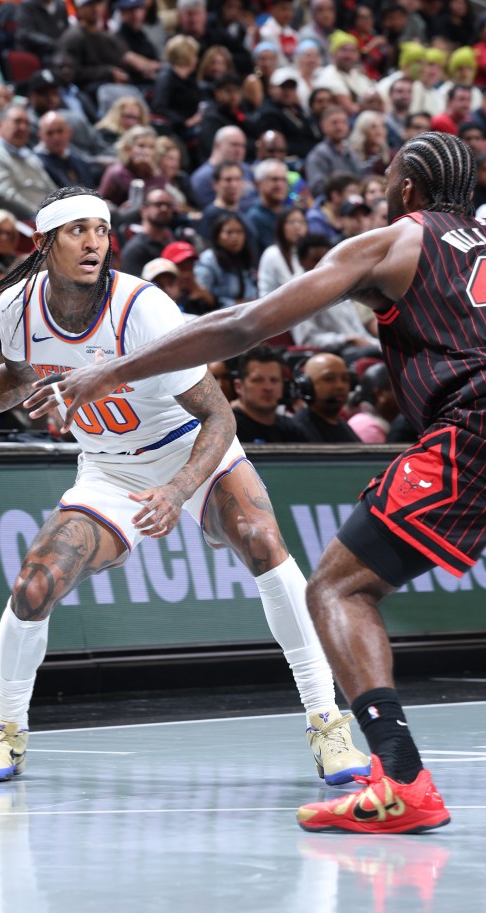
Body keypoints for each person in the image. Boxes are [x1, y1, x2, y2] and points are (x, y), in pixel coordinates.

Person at [50, 131, 484, 834]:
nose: (379, 186)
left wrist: (111, 369)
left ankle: (400, 781)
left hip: (473, 424)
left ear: (407, 189)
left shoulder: (393, 242)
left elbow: (246, 323)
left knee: (338, 588)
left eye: (388, 177)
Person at [0, 183, 368, 787]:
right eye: (77, 230)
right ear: (43, 243)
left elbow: (220, 415)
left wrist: (179, 490)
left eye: (101, 230)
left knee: (262, 541)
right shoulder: (15, 310)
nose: (93, 242)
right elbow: (23, 376)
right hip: (108, 467)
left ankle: (328, 723)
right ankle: (6, 731)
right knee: (35, 583)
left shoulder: (144, 310)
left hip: (193, 450)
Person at [232, 346, 309, 443]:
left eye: (274, 380)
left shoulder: (293, 430)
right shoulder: (226, 429)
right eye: (258, 380)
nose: (268, 387)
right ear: (239, 386)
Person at [289, 352, 360, 442]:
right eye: (329, 379)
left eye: (345, 379)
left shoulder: (342, 425)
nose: (340, 385)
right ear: (307, 386)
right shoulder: (298, 430)